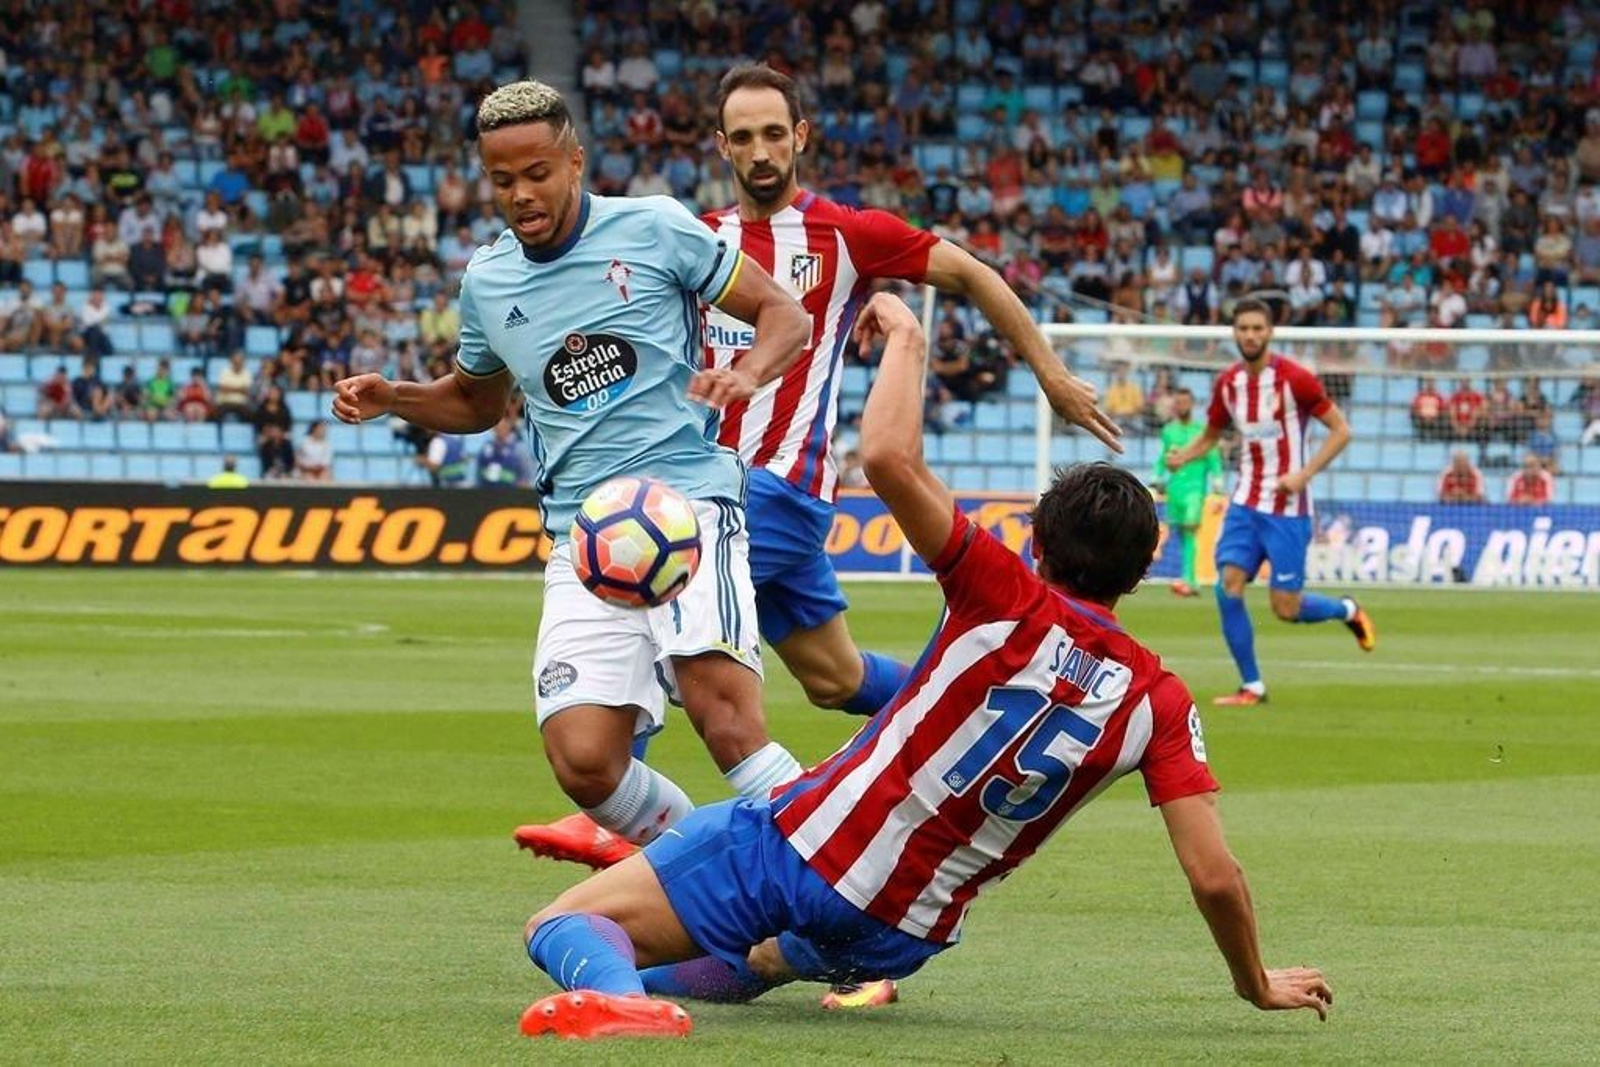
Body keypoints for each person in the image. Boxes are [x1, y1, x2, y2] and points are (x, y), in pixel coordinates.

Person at [514, 294, 1332, 1040]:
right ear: (1143, 570)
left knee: (561, 926)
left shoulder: (1003, 592)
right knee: (759, 957)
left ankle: (624, 993)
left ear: (1037, 544)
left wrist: (905, 335)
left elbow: (889, 458)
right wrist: (1254, 980)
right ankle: (682, 952)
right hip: (907, 931)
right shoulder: (1159, 698)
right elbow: (1214, 874)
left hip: (806, 852)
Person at [331, 81, 815, 875]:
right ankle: (717, 876)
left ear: (575, 162)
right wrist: (398, 399)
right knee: (585, 758)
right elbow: (478, 400)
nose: (522, 194)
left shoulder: (655, 228)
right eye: (502, 179)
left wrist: (747, 373)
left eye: (538, 172)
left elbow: (784, 315)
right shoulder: (488, 283)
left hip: (683, 506)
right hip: (584, 539)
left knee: (723, 713)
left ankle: (845, 902)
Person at [1162, 299, 1375, 706]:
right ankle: (1252, 686)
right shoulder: (1228, 384)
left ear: (1270, 332)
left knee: (1286, 608)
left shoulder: (1296, 380)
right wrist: (1183, 456)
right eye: (1243, 328)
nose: (1250, 335)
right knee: (1228, 586)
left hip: (1287, 509)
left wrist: (1304, 475)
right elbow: (1210, 436)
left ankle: (1347, 609)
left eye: (1258, 328)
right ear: (1234, 333)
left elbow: (1341, 431)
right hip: (1245, 502)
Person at [1153, 387, 1222, 597]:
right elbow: (1163, 458)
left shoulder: (1202, 431)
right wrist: (1158, 477)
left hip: (1195, 490)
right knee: (1183, 534)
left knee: (1191, 530)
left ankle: (1189, 581)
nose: (1181, 406)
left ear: (1192, 404)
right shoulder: (1169, 431)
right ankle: (1191, 580)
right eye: (1178, 402)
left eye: (1185, 402)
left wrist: (1218, 481)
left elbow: (1212, 456)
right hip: (1176, 490)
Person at [477, 414, 532, 487]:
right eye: (497, 428)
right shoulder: (486, 448)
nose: (499, 430)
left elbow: (527, 475)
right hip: (488, 492)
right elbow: (479, 471)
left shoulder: (518, 448)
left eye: (502, 427)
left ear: (508, 427)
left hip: (512, 493)